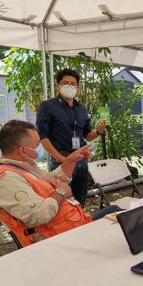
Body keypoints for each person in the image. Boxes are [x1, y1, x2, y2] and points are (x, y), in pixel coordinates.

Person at [0, 120, 120, 247]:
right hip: (62, 242)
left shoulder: (24, 167)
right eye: (36, 145)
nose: (40, 149)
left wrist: (71, 160)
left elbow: (53, 179)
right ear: (22, 150)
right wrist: (61, 193)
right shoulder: (6, 180)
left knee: (119, 213)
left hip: (77, 228)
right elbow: (37, 215)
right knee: (122, 223)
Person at [36, 68, 107, 206]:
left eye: (73, 84)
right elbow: (42, 135)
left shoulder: (81, 108)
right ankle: (67, 225)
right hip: (62, 160)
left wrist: (98, 132)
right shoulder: (48, 106)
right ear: (58, 85)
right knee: (62, 198)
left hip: (81, 160)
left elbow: (87, 135)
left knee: (81, 196)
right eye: (65, 83)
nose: (69, 86)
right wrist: (58, 157)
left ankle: (81, 220)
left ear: (78, 87)